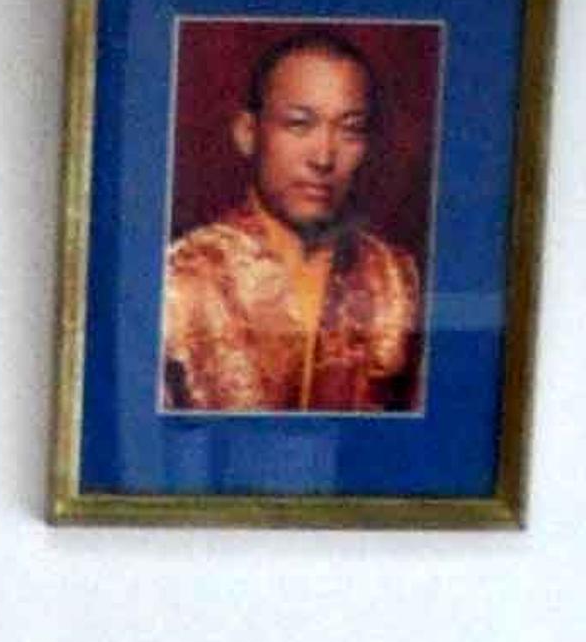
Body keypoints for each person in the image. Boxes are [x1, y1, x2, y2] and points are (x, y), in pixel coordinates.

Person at [158, 29, 423, 418]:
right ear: (248, 133)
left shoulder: (393, 277)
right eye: (299, 124)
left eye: (349, 129)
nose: (323, 157)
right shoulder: (182, 278)